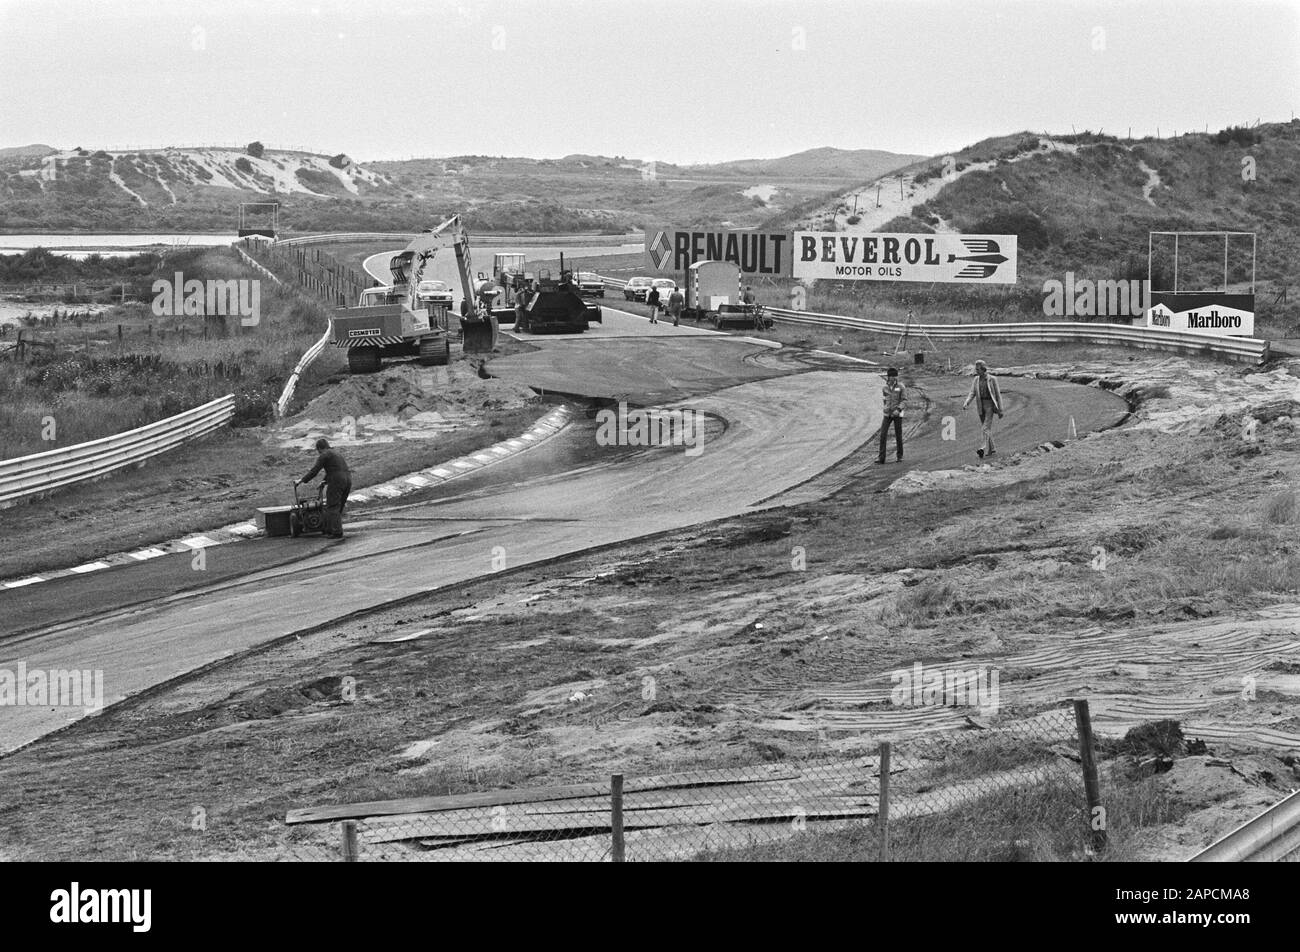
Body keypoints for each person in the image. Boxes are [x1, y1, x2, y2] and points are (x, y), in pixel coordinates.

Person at [298, 437, 352, 539]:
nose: (318, 453)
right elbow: (335, 469)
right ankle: (332, 528)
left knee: (332, 506)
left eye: (318, 450)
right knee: (338, 506)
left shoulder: (324, 455)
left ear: (319, 448)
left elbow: (314, 471)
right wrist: (324, 481)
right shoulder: (336, 453)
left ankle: (336, 532)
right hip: (348, 479)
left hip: (337, 481)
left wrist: (302, 480)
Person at [961, 359, 1004, 459]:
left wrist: (1000, 409)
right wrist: (966, 402)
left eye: (978, 369)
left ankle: (982, 448)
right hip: (980, 405)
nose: (976, 371)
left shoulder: (992, 379)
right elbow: (972, 392)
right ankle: (992, 449)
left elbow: (998, 395)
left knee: (985, 428)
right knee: (987, 429)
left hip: (990, 405)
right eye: (976, 369)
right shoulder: (976, 379)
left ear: (984, 369)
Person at [876, 367, 905, 464]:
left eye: (894, 376)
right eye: (891, 376)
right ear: (888, 377)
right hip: (887, 415)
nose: (892, 378)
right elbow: (885, 399)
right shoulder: (885, 388)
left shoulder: (901, 387)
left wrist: (899, 409)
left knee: (898, 435)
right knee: (883, 435)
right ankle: (881, 458)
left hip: (897, 414)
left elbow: (904, 400)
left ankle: (899, 456)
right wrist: (885, 408)